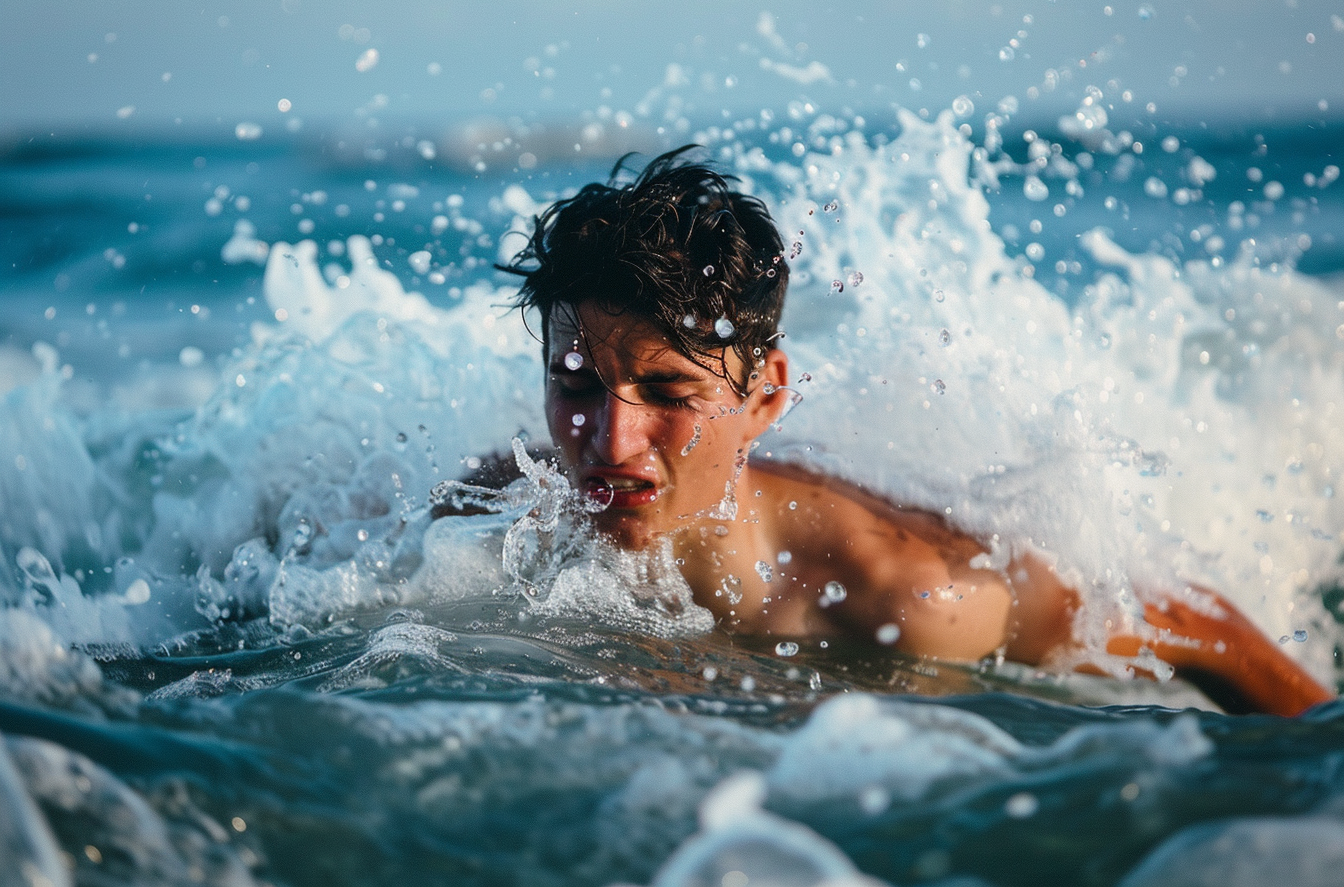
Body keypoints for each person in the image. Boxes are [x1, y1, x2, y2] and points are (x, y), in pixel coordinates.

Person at [449, 146, 1334, 716]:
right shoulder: (515, 502)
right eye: (576, 385)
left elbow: (1202, 629)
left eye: (667, 392)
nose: (606, 443)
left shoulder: (916, 593)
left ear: (765, 397)